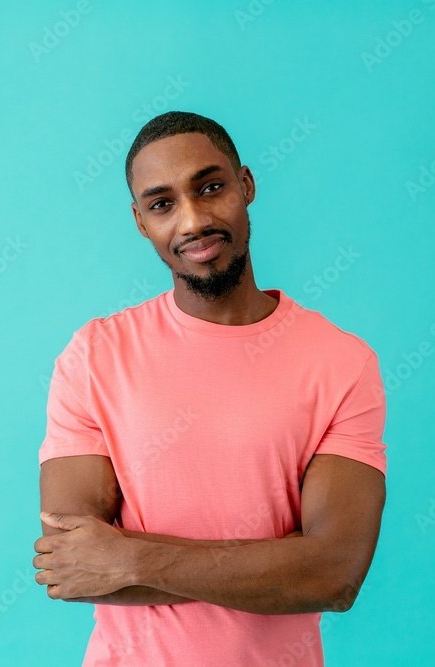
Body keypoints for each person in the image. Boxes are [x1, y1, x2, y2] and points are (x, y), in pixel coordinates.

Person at [34, 110, 387, 666]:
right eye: (162, 204)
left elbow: (334, 573)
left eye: (211, 187)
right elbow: (73, 567)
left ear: (246, 185)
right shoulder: (95, 356)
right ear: (140, 221)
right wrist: (277, 565)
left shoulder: (342, 363)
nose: (193, 220)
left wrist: (129, 559)